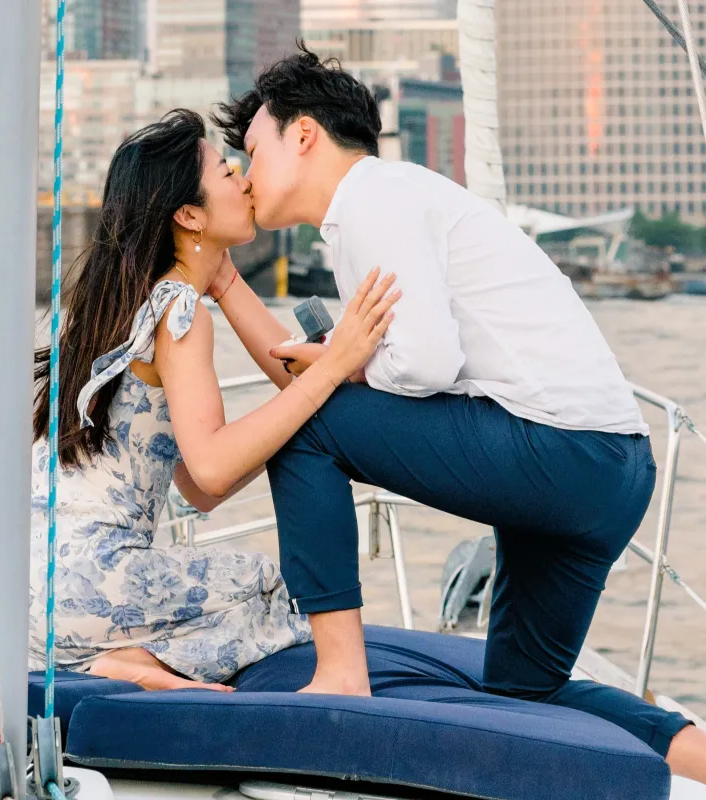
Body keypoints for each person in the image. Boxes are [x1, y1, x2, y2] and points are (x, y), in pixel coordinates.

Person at [210, 45, 706, 782]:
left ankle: (340, 672)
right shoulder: (391, 203)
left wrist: (343, 362)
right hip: (614, 466)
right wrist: (238, 290)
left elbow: (424, 364)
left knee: (305, 428)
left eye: (252, 150)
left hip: (558, 455)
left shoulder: (373, 201)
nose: (245, 177)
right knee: (524, 690)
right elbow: (365, 366)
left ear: (304, 134)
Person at [29, 109, 399, 692]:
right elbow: (213, 469)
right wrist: (333, 367)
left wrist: (228, 286)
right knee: (258, 583)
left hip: (34, 587)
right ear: (189, 214)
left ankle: (121, 661)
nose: (245, 180)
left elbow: (198, 489)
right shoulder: (180, 312)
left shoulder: (127, 304)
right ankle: (134, 667)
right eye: (227, 172)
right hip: (93, 583)